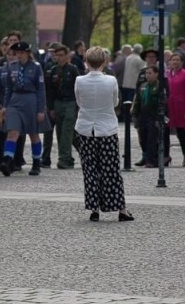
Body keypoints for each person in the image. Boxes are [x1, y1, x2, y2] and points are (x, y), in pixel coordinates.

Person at [75, 47, 132, 221]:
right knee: (111, 170)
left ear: (86, 61)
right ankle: (120, 208)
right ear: (104, 62)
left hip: (86, 128)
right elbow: (115, 102)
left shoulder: (79, 80)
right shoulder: (111, 80)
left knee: (90, 169)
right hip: (106, 128)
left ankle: (94, 208)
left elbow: (79, 101)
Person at [0, 41, 46, 176]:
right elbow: (8, 89)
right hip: (15, 100)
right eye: (17, 53)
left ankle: (36, 163)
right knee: (12, 131)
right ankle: (7, 161)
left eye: (22, 53)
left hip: (31, 100)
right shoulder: (11, 67)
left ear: (28, 53)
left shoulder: (36, 67)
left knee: (33, 134)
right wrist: (5, 106)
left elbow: (41, 89)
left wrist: (41, 109)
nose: (19, 55)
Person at [44, 44, 80, 170]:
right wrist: (51, 108)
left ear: (67, 56)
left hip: (70, 102)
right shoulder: (52, 71)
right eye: (56, 55)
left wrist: (78, 105)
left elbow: (78, 88)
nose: (58, 58)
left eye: (61, 55)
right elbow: (50, 91)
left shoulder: (73, 70)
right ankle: (70, 158)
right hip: (58, 103)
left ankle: (63, 159)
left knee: (67, 131)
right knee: (60, 132)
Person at [132, 64, 166, 168]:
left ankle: (151, 160)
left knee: (152, 138)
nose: (148, 75)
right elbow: (138, 100)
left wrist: (159, 118)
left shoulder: (159, 86)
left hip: (154, 115)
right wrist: (135, 114)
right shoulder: (143, 86)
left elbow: (162, 103)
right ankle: (146, 157)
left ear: (156, 74)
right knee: (143, 138)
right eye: (146, 73)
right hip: (143, 115)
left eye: (150, 73)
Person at [165, 52, 185, 162]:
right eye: (173, 60)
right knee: (165, 132)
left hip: (180, 107)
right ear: (170, 62)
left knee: (181, 133)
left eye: (177, 60)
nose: (175, 62)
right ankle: (166, 156)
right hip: (168, 107)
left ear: (181, 62)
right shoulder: (167, 74)